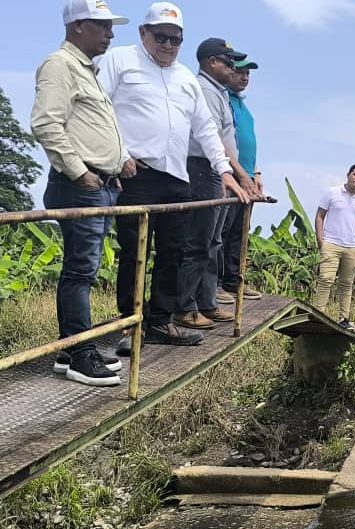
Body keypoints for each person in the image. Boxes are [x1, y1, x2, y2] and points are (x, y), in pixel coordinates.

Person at [98, 2, 248, 353]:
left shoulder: (185, 78)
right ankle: (131, 327)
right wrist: (118, 156)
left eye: (175, 39)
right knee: (135, 253)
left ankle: (161, 322)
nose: (167, 45)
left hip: (177, 178)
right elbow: (100, 109)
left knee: (174, 253)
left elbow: (206, 129)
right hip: (136, 174)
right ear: (143, 33)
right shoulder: (120, 61)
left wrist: (224, 171)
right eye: (161, 37)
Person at [31, 0, 134, 387]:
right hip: (80, 187)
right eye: (102, 26)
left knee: (83, 268)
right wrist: (81, 173)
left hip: (101, 185)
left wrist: (116, 164)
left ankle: (69, 347)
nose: (110, 34)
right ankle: (79, 355)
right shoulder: (60, 65)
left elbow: (91, 127)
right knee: (81, 270)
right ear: (77, 27)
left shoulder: (87, 71)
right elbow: (45, 123)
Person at [175, 37, 258, 330]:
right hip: (202, 168)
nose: (233, 66)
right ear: (212, 62)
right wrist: (241, 175)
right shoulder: (205, 91)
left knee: (213, 241)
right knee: (199, 241)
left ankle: (206, 302)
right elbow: (215, 141)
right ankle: (185, 306)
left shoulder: (219, 92)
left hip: (217, 171)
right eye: (228, 61)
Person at [216, 55, 263, 305]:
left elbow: (246, 143)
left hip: (247, 178)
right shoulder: (222, 100)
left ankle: (234, 282)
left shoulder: (243, 105)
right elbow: (223, 142)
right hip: (230, 176)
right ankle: (216, 284)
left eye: (248, 74)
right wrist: (241, 175)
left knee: (239, 233)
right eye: (240, 72)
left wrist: (256, 173)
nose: (245, 77)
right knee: (221, 232)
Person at [311, 165, 355, 328]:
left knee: (347, 283)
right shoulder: (332, 192)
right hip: (331, 243)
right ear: (348, 175)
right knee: (326, 279)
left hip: (353, 247)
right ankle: (319, 315)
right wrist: (320, 238)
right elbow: (319, 215)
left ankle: (344, 318)